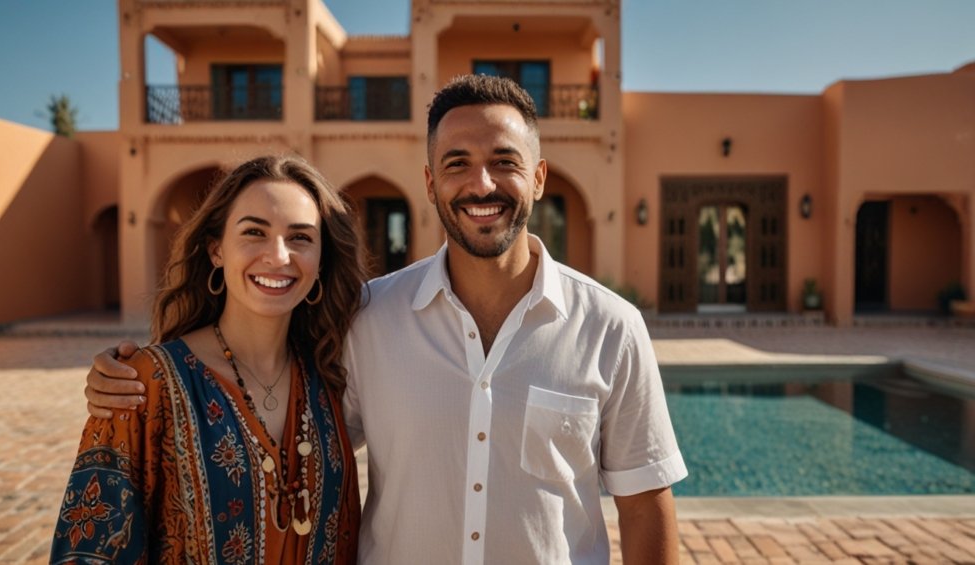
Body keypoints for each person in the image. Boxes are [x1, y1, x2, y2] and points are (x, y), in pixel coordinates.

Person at [84, 75, 688, 564]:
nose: (481, 183)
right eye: (456, 164)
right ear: (429, 182)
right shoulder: (369, 318)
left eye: (504, 161)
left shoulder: (613, 328)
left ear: (538, 175)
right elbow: (279, 401)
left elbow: (643, 506)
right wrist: (148, 375)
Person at [52, 155, 367, 563]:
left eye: (300, 238)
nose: (278, 256)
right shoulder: (146, 384)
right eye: (254, 232)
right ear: (216, 250)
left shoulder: (332, 375)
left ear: (321, 260)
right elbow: (88, 548)